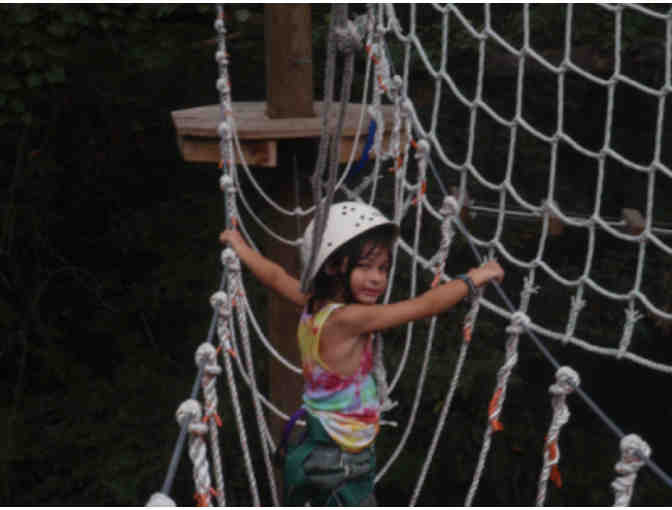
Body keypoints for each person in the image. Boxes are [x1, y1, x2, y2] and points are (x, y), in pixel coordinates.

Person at [219, 201, 504, 506]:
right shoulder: (349, 319)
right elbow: (424, 306)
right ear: (332, 266)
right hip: (341, 459)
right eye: (365, 266)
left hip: (320, 441)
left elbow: (275, 277)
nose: (377, 278)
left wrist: (241, 248)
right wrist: (473, 279)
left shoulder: (312, 304)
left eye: (383, 268)